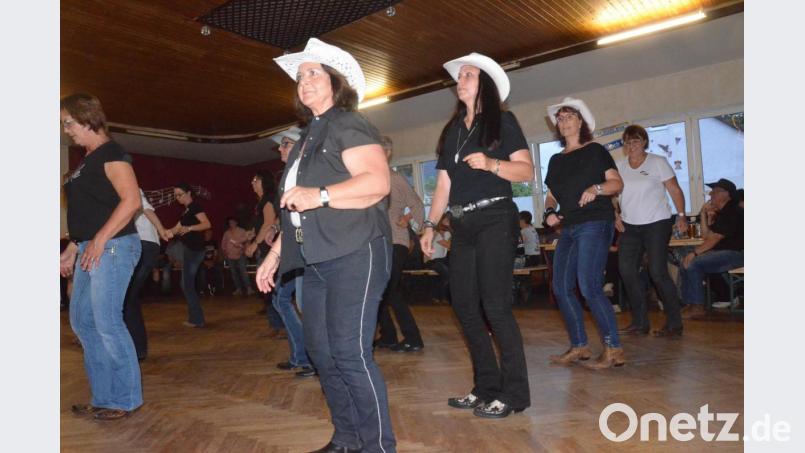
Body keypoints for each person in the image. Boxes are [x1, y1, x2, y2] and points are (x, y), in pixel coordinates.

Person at [257, 38, 396, 452]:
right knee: (321, 352)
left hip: (357, 249)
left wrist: (318, 193)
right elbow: (294, 208)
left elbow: (377, 183)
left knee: (350, 354)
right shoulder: (305, 139)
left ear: (336, 82)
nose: (304, 81)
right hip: (315, 258)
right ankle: (348, 438)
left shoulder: (348, 122)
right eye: (300, 76)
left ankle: (377, 446)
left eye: (313, 73)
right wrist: (275, 252)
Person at [420, 52, 533, 418]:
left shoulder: (503, 122)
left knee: (495, 307)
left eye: (469, 74)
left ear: (484, 83)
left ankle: (514, 395)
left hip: (496, 218)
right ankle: (486, 388)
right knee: (465, 306)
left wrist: (492, 163)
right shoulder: (453, 131)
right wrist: (429, 226)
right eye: (460, 75)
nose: (461, 79)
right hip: (462, 226)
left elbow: (526, 171)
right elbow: (442, 185)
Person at [60, 93, 143, 420]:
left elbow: (131, 201)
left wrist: (98, 240)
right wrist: (73, 247)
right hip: (91, 246)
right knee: (82, 321)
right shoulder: (87, 160)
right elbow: (90, 212)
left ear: (87, 118)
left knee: (107, 322)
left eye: (68, 123)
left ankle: (125, 399)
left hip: (114, 246)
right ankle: (104, 396)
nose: (66, 130)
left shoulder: (112, 152)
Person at [543, 97, 625, 369]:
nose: (563, 121)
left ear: (581, 122)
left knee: (589, 284)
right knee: (560, 287)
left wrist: (596, 189)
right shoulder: (555, 160)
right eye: (560, 118)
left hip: (595, 222)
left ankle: (613, 348)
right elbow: (551, 196)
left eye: (569, 116)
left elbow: (616, 183)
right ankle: (579, 346)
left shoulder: (595, 151)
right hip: (569, 227)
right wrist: (549, 212)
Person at [613, 124, 688, 337]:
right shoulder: (619, 166)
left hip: (657, 223)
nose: (631, 145)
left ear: (644, 142)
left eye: (635, 141)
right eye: (627, 142)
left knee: (657, 272)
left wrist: (681, 216)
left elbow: (674, 190)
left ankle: (674, 323)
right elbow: (613, 194)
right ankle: (640, 322)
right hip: (629, 225)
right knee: (626, 271)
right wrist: (615, 214)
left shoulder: (658, 162)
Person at [268, 126, 313, 377]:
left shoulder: (309, 172)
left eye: (285, 143)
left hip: (308, 249)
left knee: (305, 304)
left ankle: (309, 359)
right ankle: (302, 356)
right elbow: (288, 214)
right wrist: (276, 228)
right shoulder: (289, 174)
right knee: (284, 300)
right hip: (295, 249)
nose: (280, 148)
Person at [376, 136, 425, 352]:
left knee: (391, 290)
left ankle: (413, 338)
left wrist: (407, 220)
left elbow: (416, 204)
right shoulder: (370, 179)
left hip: (396, 241)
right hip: (378, 243)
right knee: (381, 292)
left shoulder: (394, 178)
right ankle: (388, 336)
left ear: (386, 152)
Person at [679, 179, 744, 317]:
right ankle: (689, 304)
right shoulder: (722, 213)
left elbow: (715, 238)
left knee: (693, 263)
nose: (711, 195)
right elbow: (706, 237)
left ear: (726, 194)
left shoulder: (732, 211)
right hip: (723, 252)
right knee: (685, 262)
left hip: (736, 254)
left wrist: (695, 254)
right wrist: (703, 214)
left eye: (714, 192)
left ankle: (697, 306)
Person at [124, 189, 171, 361]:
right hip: (141, 245)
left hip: (142, 245)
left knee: (127, 298)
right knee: (130, 298)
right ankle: (138, 349)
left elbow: (146, 208)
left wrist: (162, 229)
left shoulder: (127, 183)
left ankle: (134, 349)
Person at [247, 169, 286, 337]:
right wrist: (250, 234)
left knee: (271, 288)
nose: (252, 183)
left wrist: (255, 244)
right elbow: (263, 224)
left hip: (269, 249)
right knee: (269, 289)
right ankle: (276, 325)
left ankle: (280, 326)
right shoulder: (261, 201)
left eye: (256, 180)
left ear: (265, 182)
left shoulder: (268, 200)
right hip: (265, 247)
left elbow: (269, 222)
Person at [168, 182, 211, 327]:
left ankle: (197, 319)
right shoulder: (186, 211)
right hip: (190, 249)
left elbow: (206, 224)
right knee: (186, 284)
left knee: (186, 284)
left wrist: (190, 228)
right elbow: (176, 229)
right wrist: (163, 232)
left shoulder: (195, 207)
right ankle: (195, 318)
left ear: (189, 193)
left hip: (194, 249)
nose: (178, 198)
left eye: (180, 194)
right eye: (176, 196)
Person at [221, 217, 254, 296]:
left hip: (240, 255)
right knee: (234, 273)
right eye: (230, 222)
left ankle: (249, 288)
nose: (231, 223)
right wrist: (225, 253)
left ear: (236, 222)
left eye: (232, 222)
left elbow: (247, 241)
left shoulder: (242, 231)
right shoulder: (227, 233)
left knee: (243, 272)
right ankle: (238, 288)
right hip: (230, 256)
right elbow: (223, 244)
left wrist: (245, 250)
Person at [426, 214, 452, 304]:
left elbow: (449, 246)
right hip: (432, 261)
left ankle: (440, 296)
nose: (448, 222)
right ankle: (439, 296)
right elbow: (448, 245)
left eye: (449, 220)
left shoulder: (448, 233)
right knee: (447, 274)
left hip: (442, 260)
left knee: (447, 274)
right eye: (446, 220)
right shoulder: (435, 233)